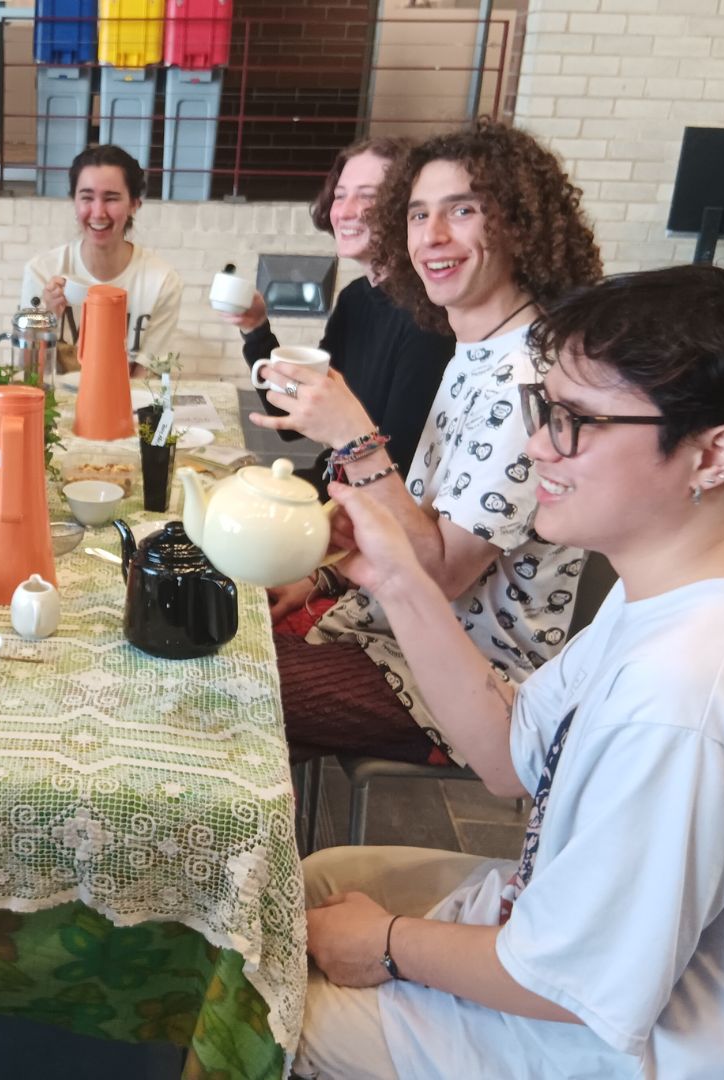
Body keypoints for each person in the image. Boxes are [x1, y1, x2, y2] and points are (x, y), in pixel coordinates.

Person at [294, 265, 724, 1079]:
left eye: (578, 421)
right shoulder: (691, 586)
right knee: (321, 880)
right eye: (545, 409)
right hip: (565, 950)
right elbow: (505, 755)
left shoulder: (689, 699)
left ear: (713, 453)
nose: (537, 445)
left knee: (269, 1001)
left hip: (606, 1049)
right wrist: (396, 577)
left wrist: (385, 945)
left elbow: (571, 983)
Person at [261, 120, 602, 765]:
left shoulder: (526, 379)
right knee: (219, 629)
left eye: (463, 211)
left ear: (521, 225)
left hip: (470, 676)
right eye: (418, 215)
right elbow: (420, 518)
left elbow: (443, 573)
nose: (432, 238)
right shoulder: (479, 347)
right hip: (391, 622)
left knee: (223, 689)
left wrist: (356, 440)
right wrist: (325, 573)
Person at [226, 137, 454, 486]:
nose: (344, 211)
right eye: (340, 194)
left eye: (367, 196)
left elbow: (395, 468)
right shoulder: (356, 298)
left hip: (371, 507)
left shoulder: (427, 317)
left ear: (407, 208)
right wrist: (256, 329)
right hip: (337, 482)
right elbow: (292, 414)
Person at [20, 144, 183, 361]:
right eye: (87, 197)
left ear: (134, 204)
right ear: (74, 202)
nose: (98, 213)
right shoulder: (41, 272)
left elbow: (148, 380)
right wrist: (47, 318)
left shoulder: (162, 282)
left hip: (127, 396)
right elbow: (28, 373)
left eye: (111, 198)